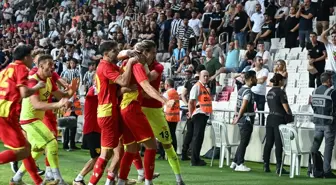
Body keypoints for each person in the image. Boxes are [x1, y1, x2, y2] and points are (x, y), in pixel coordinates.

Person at [11, 54, 78, 185]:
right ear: (41, 66)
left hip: (36, 120)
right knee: (52, 143)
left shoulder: (48, 80)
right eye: (50, 65)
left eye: (53, 65)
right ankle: (58, 180)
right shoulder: (33, 81)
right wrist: (57, 105)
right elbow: (36, 105)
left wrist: (71, 91)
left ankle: (16, 179)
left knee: (37, 150)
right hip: (29, 121)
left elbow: (61, 95)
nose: (53, 68)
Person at [116, 41, 175, 185]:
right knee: (151, 146)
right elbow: (146, 86)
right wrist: (165, 101)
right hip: (132, 108)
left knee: (130, 148)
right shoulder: (137, 65)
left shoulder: (126, 63)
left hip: (122, 108)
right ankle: (148, 181)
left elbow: (120, 55)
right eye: (153, 53)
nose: (154, 56)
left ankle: (120, 181)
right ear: (144, 53)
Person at [0, 45, 54, 185]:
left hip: (5, 112)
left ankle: (37, 182)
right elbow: (24, 93)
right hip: (6, 114)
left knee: (27, 148)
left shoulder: (6, 69)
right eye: (31, 56)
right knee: (23, 151)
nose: (32, 60)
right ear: (25, 57)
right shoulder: (22, 68)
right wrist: (36, 87)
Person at [86, 41, 137, 185]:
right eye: (114, 51)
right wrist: (131, 62)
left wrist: (127, 54)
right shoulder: (105, 67)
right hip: (107, 112)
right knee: (106, 154)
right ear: (107, 53)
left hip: (111, 110)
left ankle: (110, 181)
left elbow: (116, 90)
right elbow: (123, 81)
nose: (117, 52)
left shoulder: (108, 65)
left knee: (119, 151)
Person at [263, 73, 292, 175]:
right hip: (279, 119)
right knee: (278, 143)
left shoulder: (269, 92)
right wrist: (290, 115)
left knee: (269, 143)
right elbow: (286, 107)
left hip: (270, 117)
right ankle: (279, 166)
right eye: (283, 80)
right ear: (280, 81)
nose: (284, 82)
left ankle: (266, 164)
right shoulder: (281, 92)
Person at [310, 72, 336, 178]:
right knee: (328, 147)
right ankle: (326, 171)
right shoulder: (332, 92)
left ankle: (312, 169)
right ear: (329, 80)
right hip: (329, 124)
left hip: (317, 123)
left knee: (314, 147)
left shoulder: (314, 91)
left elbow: (312, 105)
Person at [73, 83, 99, 185]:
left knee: (103, 155)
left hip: (96, 130)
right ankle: (78, 178)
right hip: (92, 130)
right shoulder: (93, 92)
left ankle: (115, 177)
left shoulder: (94, 91)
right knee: (97, 157)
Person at [231, 70, 257, 172]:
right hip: (246, 119)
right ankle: (239, 163)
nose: (256, 80)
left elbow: (236, 105)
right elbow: (243, 105)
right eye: (255, 78)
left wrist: (236, 116)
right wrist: (238, 117)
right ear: (251, 79)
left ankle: (235, 161)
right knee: (244, 142)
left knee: (242, 141)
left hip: (242, 118)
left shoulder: (241, 90)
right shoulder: (248, 92)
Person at [180, 64, 206, 160]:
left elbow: (183, 95)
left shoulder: (189, 82)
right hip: (197, 109)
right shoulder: (201, 84)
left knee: (189, 132)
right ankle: (194, 155)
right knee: (197, 134)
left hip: (190, 108)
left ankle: (184, 153)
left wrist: (187, 105)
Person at [188, 70, 212, 166]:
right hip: (198, 114)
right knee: (197, 137)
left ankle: (196, 158)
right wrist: (191, 114)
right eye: (204, 76)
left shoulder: (203, 87)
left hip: (202, 114)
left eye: (207, 76)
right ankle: (194, 160)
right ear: (200, 76)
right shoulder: (197, 86)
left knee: (199, 137)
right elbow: (191, 101)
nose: (206, 78)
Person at [163, 78, 180, 152]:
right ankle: (174, 151)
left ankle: (165, 152)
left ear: (167, 85)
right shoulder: (176, 92)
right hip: (175, 116)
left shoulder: (167, 93)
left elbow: (162, 104)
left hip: (168, 116)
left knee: (166, 135)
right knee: (173, 134)